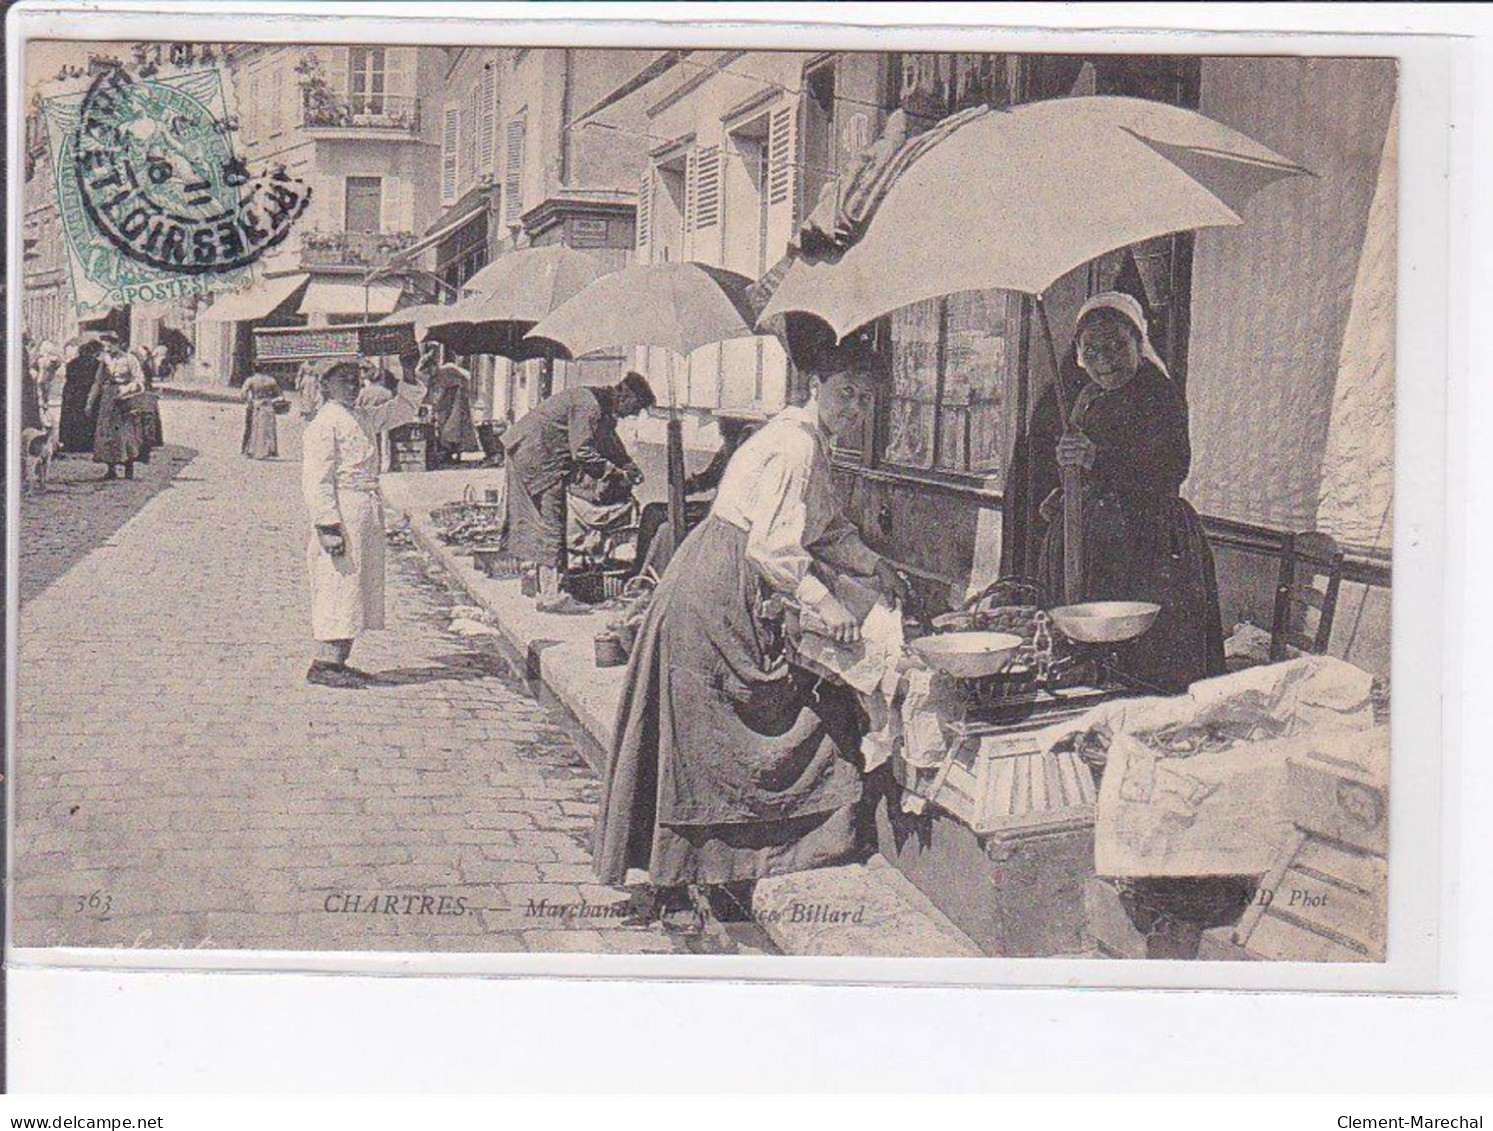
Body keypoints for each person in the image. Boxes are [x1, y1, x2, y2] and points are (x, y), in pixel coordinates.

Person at [591, 363, 912, 933]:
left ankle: (714, 871)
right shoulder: (794, 447)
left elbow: (826, 528)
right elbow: (773, 549)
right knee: (703, 733)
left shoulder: (808, 441)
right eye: (845, 392)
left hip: (724, 576)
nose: (854, 408)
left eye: (865, 399)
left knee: (719, 724)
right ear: (815, 387)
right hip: (717, 590)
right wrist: (829, 605)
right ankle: (675, 885)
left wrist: (874, 565)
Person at [1027, 291, 1224, 692]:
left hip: (1148, 542)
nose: (1106, 360)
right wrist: (1066, 488)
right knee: (1095, 641)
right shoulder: (1088, 396)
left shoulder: (1158, 393)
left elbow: (1170, 470)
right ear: (1080, 354)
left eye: (1117, 345)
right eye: (1092, 350)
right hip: (1096, 538)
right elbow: (1089, 465)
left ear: (1138, 342)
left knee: (1145, 651)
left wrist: (1096, 458)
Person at [301, 361, 427, 689]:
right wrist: (327, 526)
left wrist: (411, 376)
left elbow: (402, 410)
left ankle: (338, 661)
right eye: (344, 381)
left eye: (356, 380)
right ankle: (324, 663)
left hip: (366, 509)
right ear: (325, 385)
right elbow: (317, 480)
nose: (353, 386)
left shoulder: (360, 416)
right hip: (343, 510)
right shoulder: (324, 423)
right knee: (337, 583)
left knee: (357, 587)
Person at [501, 371, 656, 612]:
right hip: (537, 457)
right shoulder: (590, 406)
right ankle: (552, 596)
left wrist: (627, 464)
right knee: (550, 522)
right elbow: (583, 452)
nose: (633, 415)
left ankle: (542, 585)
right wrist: (617, 474)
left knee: (545, 521)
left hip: (535, 453)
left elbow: (607, 440)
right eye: (634, 408)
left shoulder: (599, 405)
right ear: (624, 395)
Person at [635, 415, 757, 578]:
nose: (721, 433)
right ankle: (640, 568)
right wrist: (683, 486)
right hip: (716, 506)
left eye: (725, 429)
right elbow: (708, 478)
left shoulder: (750, 455)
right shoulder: (727, 450)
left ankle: (647, 571)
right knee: (653, 511)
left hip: (724, 512)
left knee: (659, 518)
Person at [85, 334, 147, 480]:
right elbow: (97, 382)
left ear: (118, 344)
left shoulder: (130, 359)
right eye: (105, 346)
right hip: (108, 398)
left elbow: (139, 379)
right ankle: (110, 469)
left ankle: (129, 467)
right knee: (107, 433)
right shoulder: (104, 361)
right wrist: (90, 402)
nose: (107, 349)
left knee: (125, 433)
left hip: (125, 397)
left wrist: (128, 388)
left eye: (110, 346)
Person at [421, 351, 481, 466]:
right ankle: (450, 453)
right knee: (444, 427)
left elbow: (465, 378)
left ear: (434, 365)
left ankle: (455, 453)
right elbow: (434, 394)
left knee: (453, 428)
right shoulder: (435, 377)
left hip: (457, 402)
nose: (430, 372)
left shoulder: (448, 370)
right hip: (446, 406)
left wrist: (463, 392)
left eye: (430, 369)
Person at [59, 338, 105, 453]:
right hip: (86, 391)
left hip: (72, 393)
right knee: (87, 417)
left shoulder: (71, 363)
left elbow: (69, 378)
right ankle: (87, 444)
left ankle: (69, 442)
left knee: (71, 418)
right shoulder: (96, 364)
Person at [241, 372, 281, 460]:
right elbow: (279, 395)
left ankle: (250, 450)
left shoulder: (251, 380)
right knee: (266, 429)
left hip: (256, 405)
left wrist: (249, 401)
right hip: (267, 406)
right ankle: (267, 450)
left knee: (252, 428)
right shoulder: (271, 380)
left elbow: (243, 394)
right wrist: (271, 400)